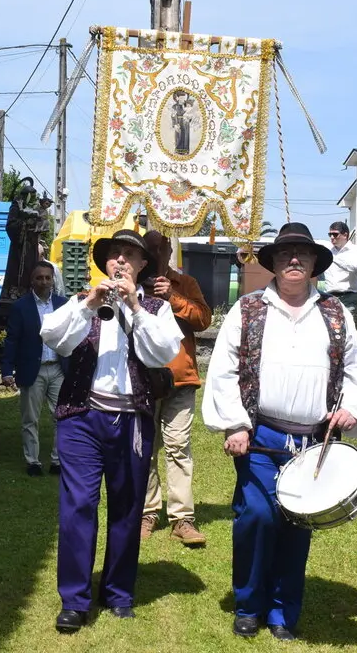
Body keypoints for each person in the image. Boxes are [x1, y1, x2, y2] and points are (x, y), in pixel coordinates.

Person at [202, 221, 357, 641]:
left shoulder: (335, 314)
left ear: (316, 265)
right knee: (258, 517)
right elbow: (225, 368)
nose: (294, 260)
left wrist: (354, 408)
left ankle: (283, 613)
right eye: (285, 255)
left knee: (296, 525)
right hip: (261, 436)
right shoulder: (248, 310)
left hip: (313, 441)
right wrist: (235, 423)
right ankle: (248, 606)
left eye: (302, 255)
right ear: (275, 264)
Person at [40, 229, 183, 633]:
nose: (120, 261)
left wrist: (135, 307)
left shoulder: (155, 307)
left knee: (127, 507)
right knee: (78, 506)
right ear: (105, 264)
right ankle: (75, 599)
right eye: (114, 255)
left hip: (131, 420)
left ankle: (118, 591)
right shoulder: (81, 300)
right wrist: (88, 304)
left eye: (129, 255)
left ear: (141, 266)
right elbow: (53, 337)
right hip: (81, 417)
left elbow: (164, 353)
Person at [140, 231, 212, 546]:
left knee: (178, 448)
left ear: (170, 249)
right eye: (150, 247)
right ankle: (147, 512)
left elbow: (204, 319)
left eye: (161, 246)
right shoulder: (135, 287)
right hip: (142, 378)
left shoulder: (186, 284)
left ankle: (182, 518)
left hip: (181, 378)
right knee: (146, 448)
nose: (157, 252)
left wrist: (172, 296)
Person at [1, 261, 68, 477]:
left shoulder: (62, 304)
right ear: (32, 280)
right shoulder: (21, 306)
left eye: (48, 278)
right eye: (40, 278)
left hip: (58, 368)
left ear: (52, 280)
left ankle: (58, 461)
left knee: (62, 416)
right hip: (33, 369)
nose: (44, 282)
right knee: (30, 418)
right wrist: (6, 370)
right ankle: (33, 461)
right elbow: (12, 340)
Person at [323, 221, 357, 316]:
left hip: (349, 297)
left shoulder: (356, 251)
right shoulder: (328, 249)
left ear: (345, 235)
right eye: (330, 234)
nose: (332, 237)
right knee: (331, 327)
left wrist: (333, 258)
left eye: (335, 234)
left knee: (346, 325)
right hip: (330, 296)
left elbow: (354, 266)